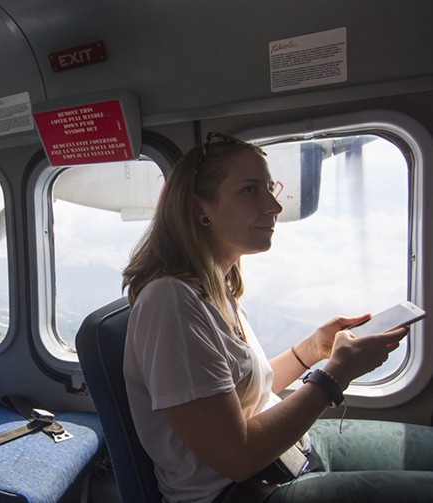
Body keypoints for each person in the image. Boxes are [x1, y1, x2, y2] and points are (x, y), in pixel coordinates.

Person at [122, 133, 433, 502]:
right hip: (242, 491)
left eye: (269, 188)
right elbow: (236, 458)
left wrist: (311, 350)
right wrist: (334, 376)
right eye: (250, 190)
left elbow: (240, 394)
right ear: (198, 209)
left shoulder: (213, 287)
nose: (274, 205)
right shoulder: (170, 302)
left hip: (286, 456)